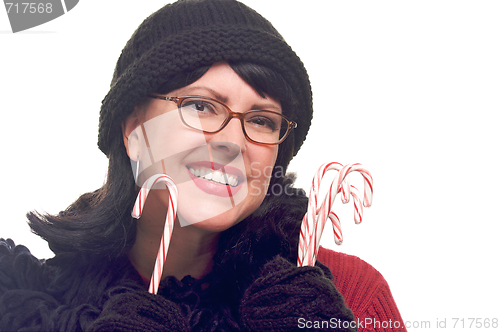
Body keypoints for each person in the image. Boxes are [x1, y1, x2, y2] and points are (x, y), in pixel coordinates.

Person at [0, 0, 406, 331]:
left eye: (261, 120)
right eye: (200, 106)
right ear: (133, 129)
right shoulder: (31, 306)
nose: (232, 142)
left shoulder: (347, 295)